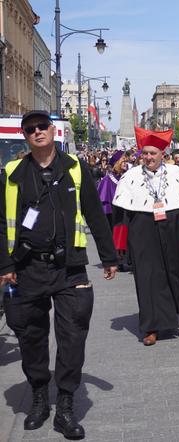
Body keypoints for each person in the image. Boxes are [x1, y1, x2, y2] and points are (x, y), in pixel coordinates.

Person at [0, 110, 118, 439]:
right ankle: (39, 396)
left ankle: (65, 405)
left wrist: (109, 257)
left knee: (72, 337)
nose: (37, 132)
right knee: (31, 337)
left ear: (53, 131)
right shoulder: (12, 172)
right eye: (30, 129)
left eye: (42, 127)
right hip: (27, 268)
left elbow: (95, 214)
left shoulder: (75, 168)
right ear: (25, 136)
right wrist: (5, 266)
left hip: (70, 267)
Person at [112, 127, 179, 346]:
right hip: (142, 231)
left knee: (173, 273)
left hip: (173, 229)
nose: (148, 157)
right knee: (146, 277)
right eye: (145, 153)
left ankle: (171, 319)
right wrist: (119, 245)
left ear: (163, 154)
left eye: (153, 153)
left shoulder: (178, 174)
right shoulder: (130, 177)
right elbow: (121, 215)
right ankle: (150, 327)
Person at [97, 150, 127, 228]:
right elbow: (104, 202)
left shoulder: (126, 177)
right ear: (117, 163)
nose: (125, 163)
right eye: (123, 161)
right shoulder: (107, 179)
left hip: (126, 214)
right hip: (113, 216)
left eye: (126, 161)